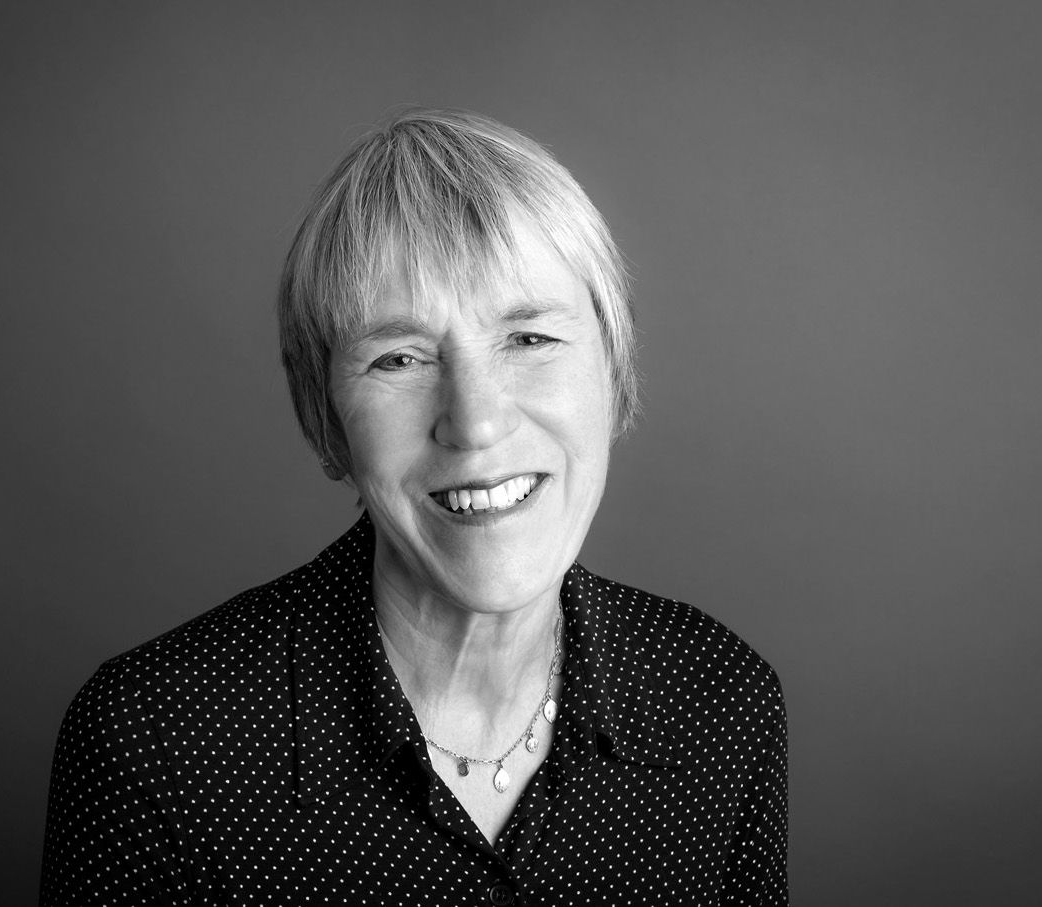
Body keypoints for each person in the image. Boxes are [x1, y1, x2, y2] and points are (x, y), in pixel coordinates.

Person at [40, 107, 788, 905]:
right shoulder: (154, 747)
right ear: (325, 419)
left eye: (530, 338)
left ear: (616, 373)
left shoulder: (724, 701)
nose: (476, 421)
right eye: (399, 357)